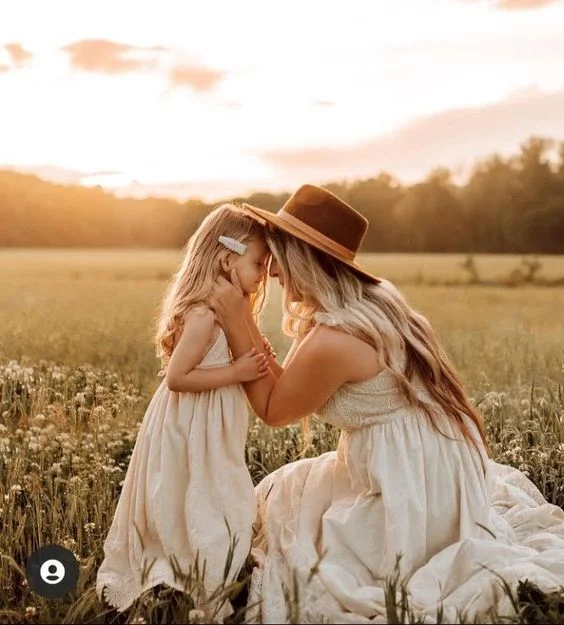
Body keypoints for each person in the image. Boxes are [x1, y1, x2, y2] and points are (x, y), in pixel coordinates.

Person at [209, 184, 564, 624]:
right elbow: (289, 386)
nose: (273, 273)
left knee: (300, 533)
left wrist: (237, 317)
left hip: (407, 482)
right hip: (433, 458)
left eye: (277, 256)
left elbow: (274, 409)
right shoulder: (373, 303)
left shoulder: (333, 339)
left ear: (303, 258)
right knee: (291, 494)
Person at [96, 204, 275, 621]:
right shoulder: (203, 316)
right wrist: (236, 371)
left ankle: (207, 570)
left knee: (214, 492)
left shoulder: (230, 310)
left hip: (210, 426)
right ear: (226, 259)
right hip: (190, 424)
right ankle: (200, 576)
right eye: (258, 264)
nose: (263, 275)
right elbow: (177, 377)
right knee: (195, 493)